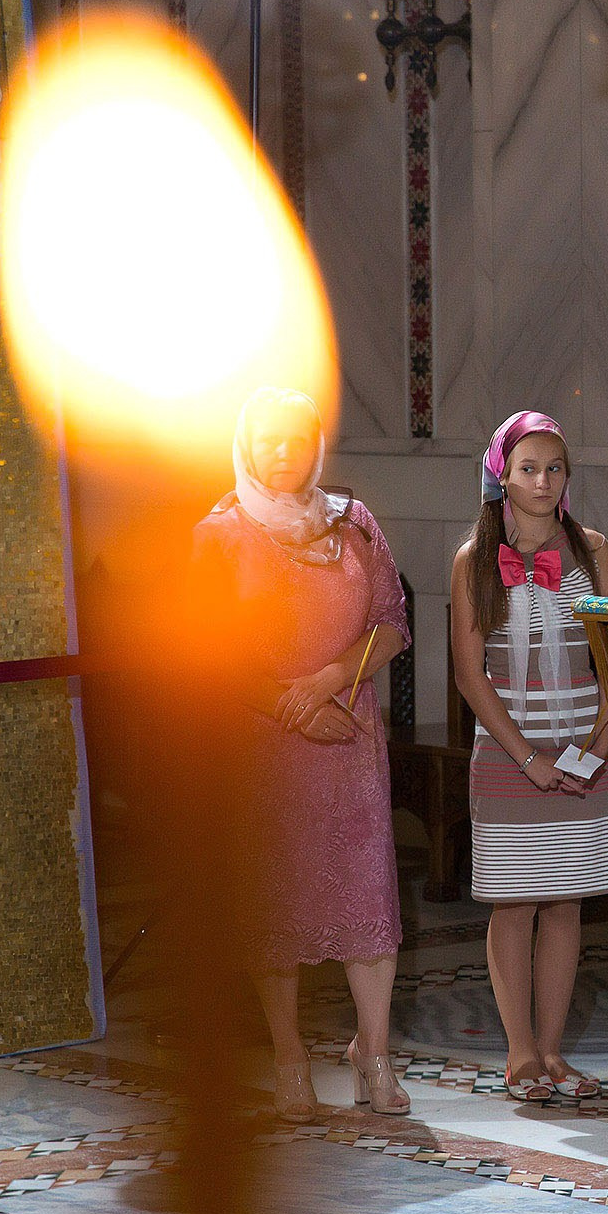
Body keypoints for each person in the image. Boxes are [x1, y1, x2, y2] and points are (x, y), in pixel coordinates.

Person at [193, 388, 411, 1124]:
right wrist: (291, 709)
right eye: (268, 438)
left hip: (350, 732)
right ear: (246, 445)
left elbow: (391, 624)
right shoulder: (218, 534)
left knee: (367, 896)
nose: (283, 451)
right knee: (276, 901)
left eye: (297, 437)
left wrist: (326, 684)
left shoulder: (355, 524)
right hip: (265, 740)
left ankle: (373, 1055)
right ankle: (289, 1057)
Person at [451, 411, 608, 1104]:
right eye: (529, 468)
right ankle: (519, 1051)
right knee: (515, 901)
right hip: (507, 747)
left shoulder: (594, 549)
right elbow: (470, 674)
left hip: (583, 741)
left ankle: (553, 1050)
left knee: (566, 902)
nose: (544, 481)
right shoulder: (472, 559)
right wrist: (526, 756)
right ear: (502, 475)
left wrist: (597, 744)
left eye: (555, 468)